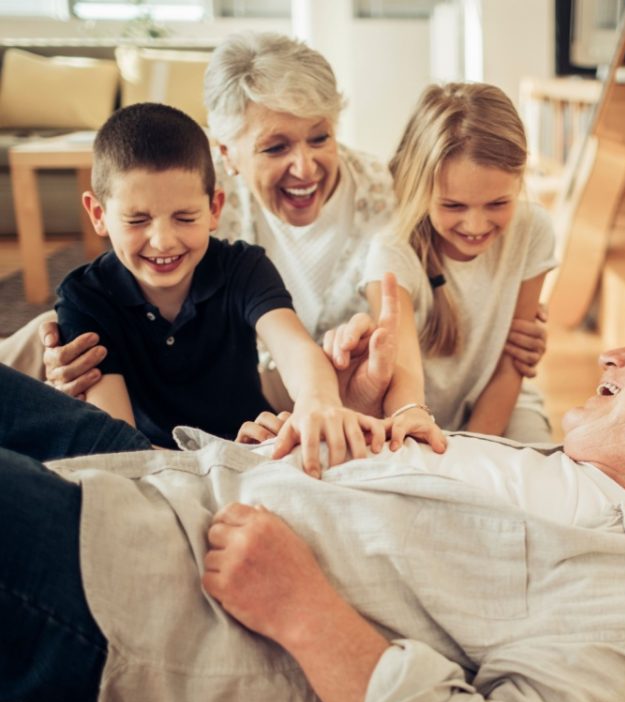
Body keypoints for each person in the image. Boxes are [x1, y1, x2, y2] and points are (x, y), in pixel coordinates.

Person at [0, 320, 625, 702]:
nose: (614, 354)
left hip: (145, 613)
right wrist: (310, 448)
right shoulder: (546, 464)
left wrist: (305, 612)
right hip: (164, 480)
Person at [0, 32, 549, 415]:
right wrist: (67, 356)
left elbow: (452, 280)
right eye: (275, 146)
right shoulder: (203, 207)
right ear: (228, 153)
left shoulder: (388, 197)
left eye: (320, 136)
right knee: (50, 331)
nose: (305, 166)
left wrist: (512, 331)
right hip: (215, 378)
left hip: (322, 387)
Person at [53, 102, 380, 473]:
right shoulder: (85, 297)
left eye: (185, 217)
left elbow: (295, 348)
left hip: (255, 448)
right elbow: (119, 448)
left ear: (214, 209)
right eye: (137, 219)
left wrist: (318, 401)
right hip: (162, 466)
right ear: (98, 214)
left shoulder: (244, 267)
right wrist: (221, 460)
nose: (162, 241)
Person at [325, 82, 557, 443]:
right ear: (421, 189)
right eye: (453, 206)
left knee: (540, 473)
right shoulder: (392, 248)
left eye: (498, 203)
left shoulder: (534, 230)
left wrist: (477, 452)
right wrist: (422, 424)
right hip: (408, 414)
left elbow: (514, 362)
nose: (476, 226)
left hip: (505, 407)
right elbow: (404, 379)